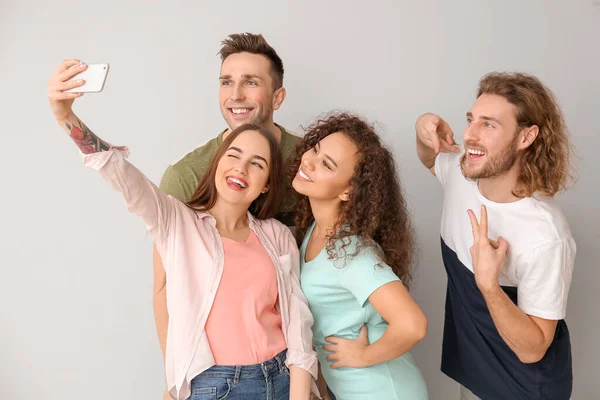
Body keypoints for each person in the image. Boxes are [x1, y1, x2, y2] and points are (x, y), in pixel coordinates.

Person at [47, 59, 318, 400]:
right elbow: (120, 173)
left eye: (257, 164)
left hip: (281, 378)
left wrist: (300, 393)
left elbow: (297, 324)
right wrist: (65, 117)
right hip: (215, 386)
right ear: (217, 162)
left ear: (266, 185)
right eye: (233, 155)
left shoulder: (277, 235)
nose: (241, 169)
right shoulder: (177, 222)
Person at [152, 32, 303, 398]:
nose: (235, 95)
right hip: (217, 376)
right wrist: (175, 380)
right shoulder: (185, 176)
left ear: (278, 97)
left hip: (294, 360)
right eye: (226, 82)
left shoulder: (306, 163)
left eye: (250, 82)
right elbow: (164, 289)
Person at [415, 72, 576, 400]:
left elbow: (533, 350)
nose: (469, 135)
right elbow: (432, 158)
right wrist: (423, 128)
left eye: (488, 125)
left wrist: (488, 285)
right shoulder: (463, 175)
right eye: (471, 119)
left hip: (523, 389)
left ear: (526, 137)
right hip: (476, 377)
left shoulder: (545, 234)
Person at [291, 113, 429, 399]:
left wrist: (363, 356)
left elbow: (413, 325)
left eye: (326, 164)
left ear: (348, 190)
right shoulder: (318, 230)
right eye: (316, 150)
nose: (310, 161)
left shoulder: (353, 254)